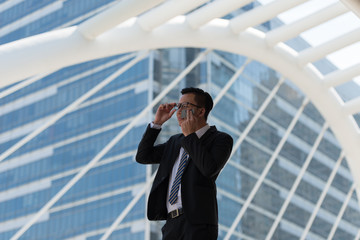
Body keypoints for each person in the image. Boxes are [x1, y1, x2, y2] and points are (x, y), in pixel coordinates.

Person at [136, 87, 233, 240]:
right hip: (171, 224)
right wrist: (157, 123)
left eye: (185, 106)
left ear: (201, 112)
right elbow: (143, 156)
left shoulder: (221, 139)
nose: (179, 111)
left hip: (198, 224)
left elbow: (209, 169)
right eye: (178, 106)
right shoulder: (175, 141)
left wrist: (190, 136)